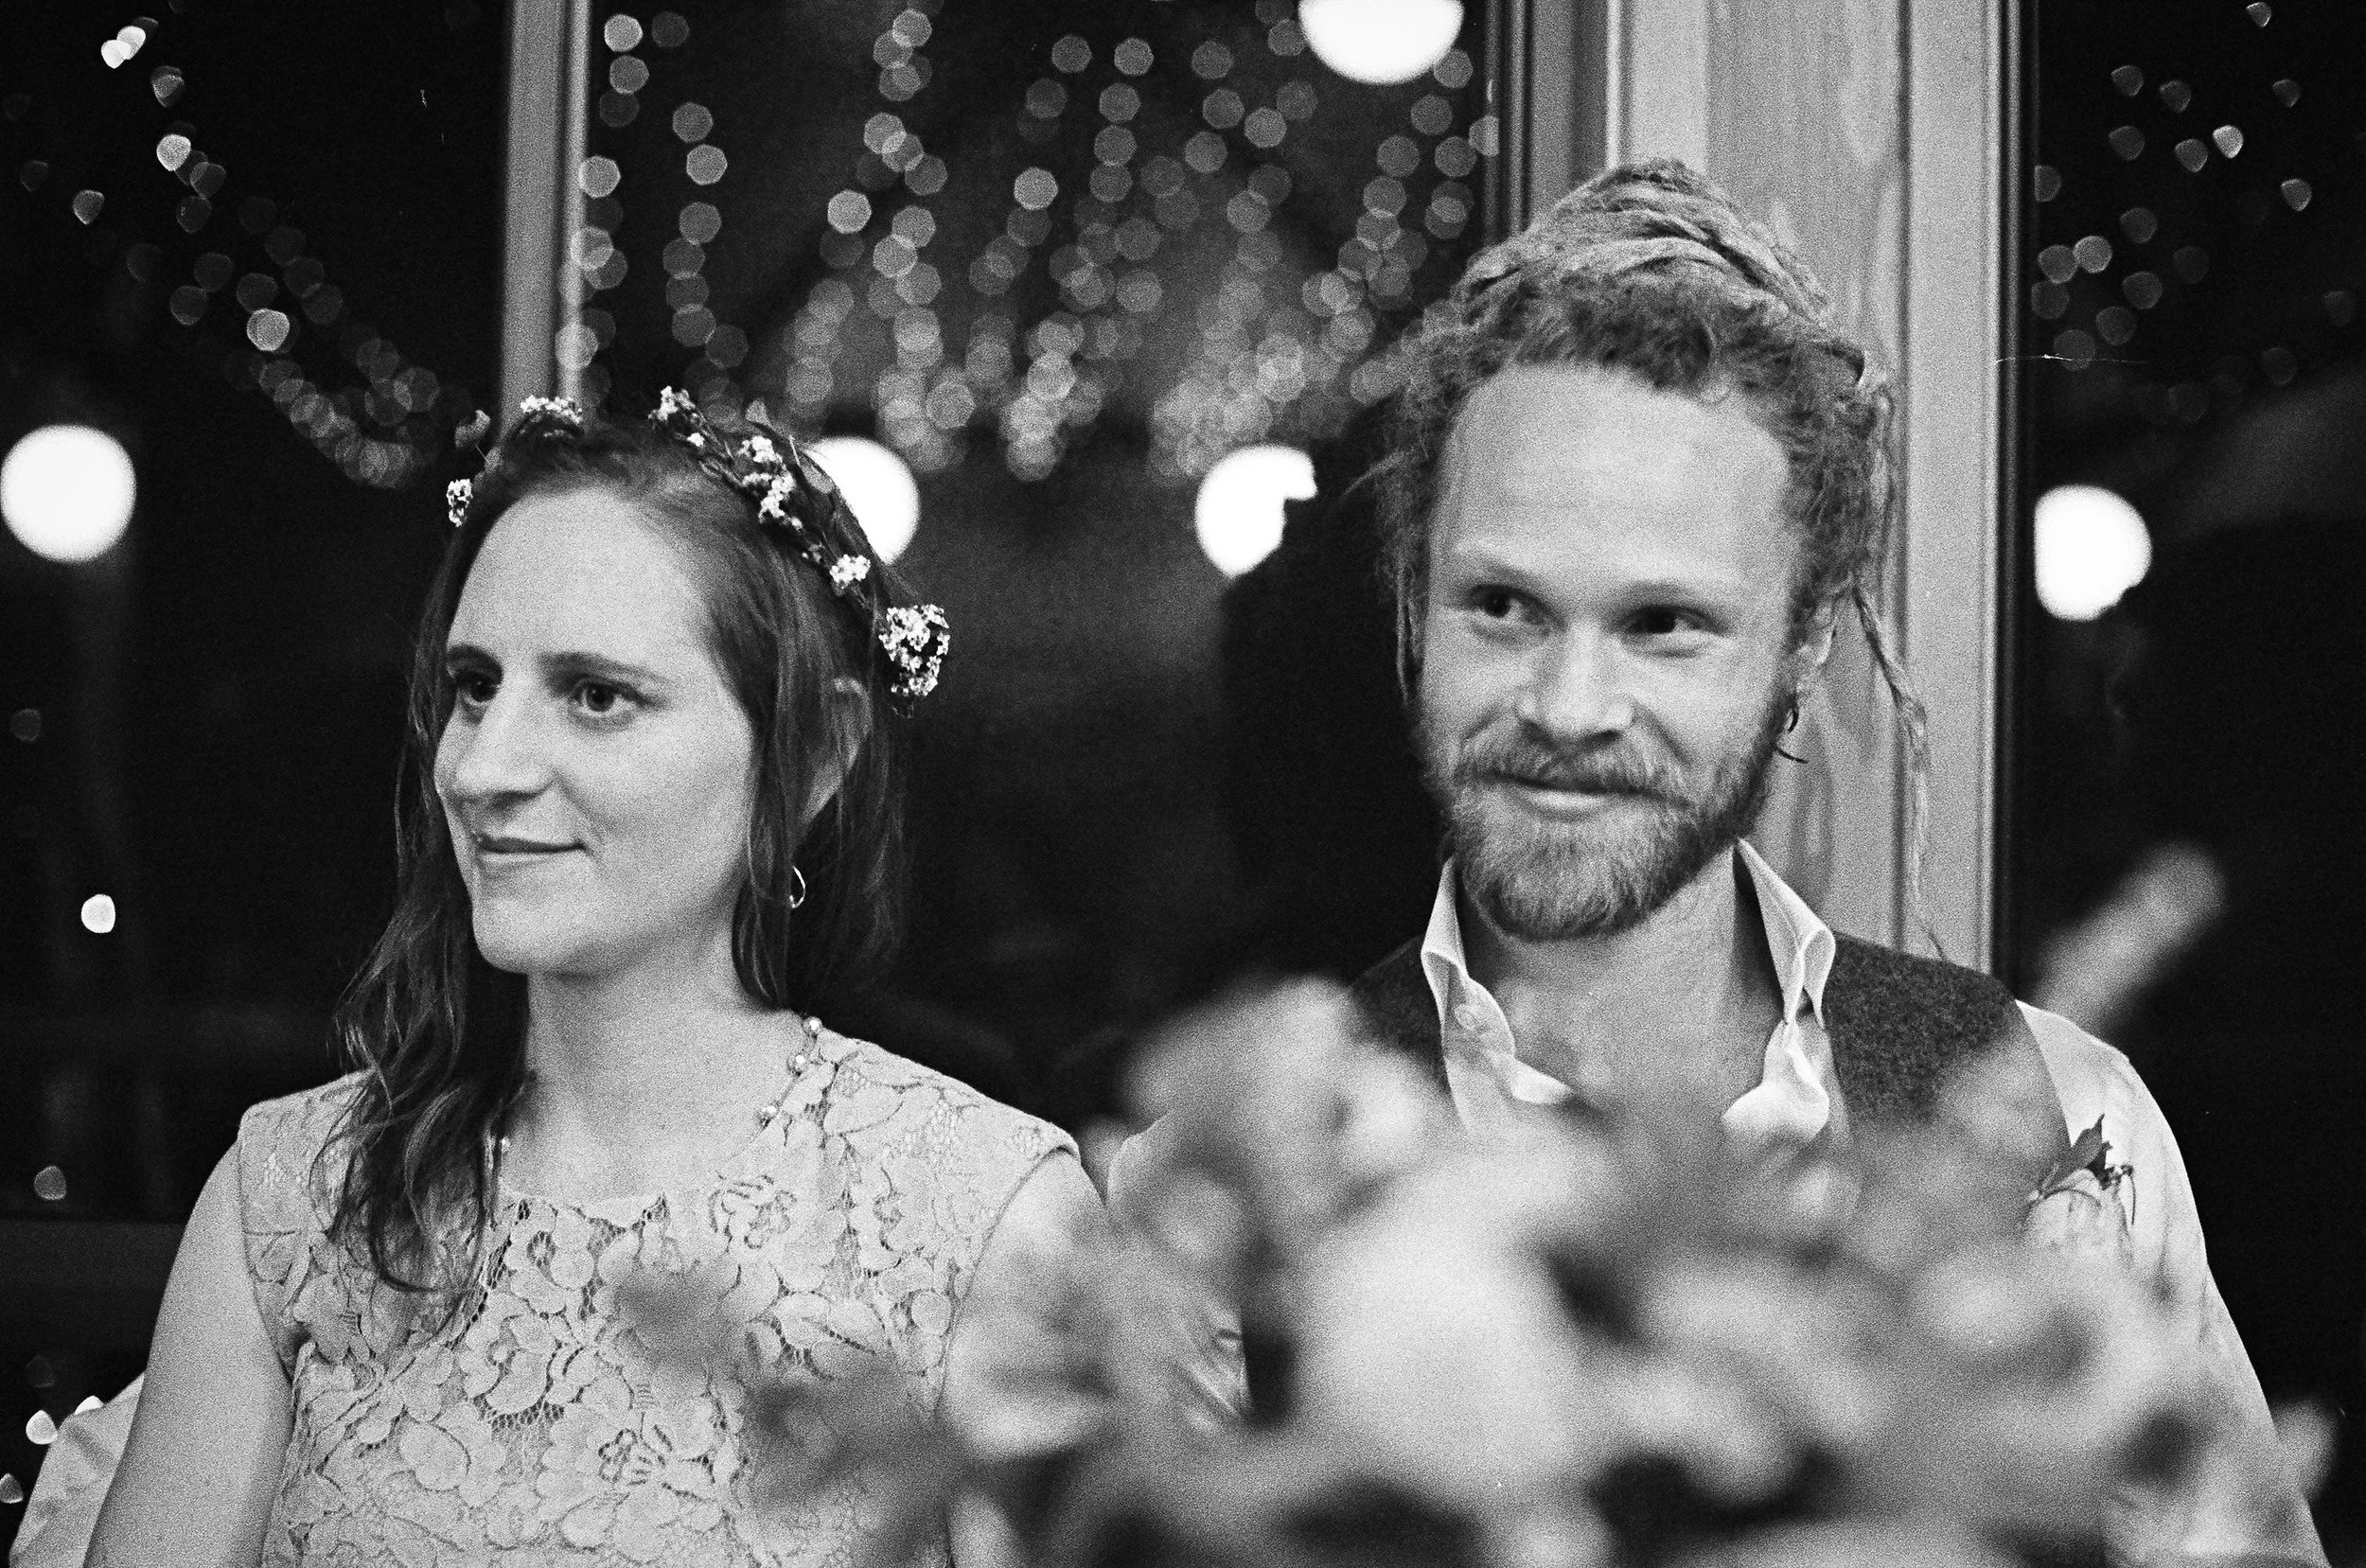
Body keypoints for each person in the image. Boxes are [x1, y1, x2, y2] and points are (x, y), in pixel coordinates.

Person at [1330, 161, 2325, 1559]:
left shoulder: (2065, 1119)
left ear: (1802, 643)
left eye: (1666, 623)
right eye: (1503, 605)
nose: (1567, 705)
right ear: (1411, 605)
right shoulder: (1234, 1186)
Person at [58, 393, 1102, 1567]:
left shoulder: (975, 1214)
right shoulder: (296, 1194)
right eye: (473, 685)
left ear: (811, 756)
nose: (484, 767)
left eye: (597, 695)